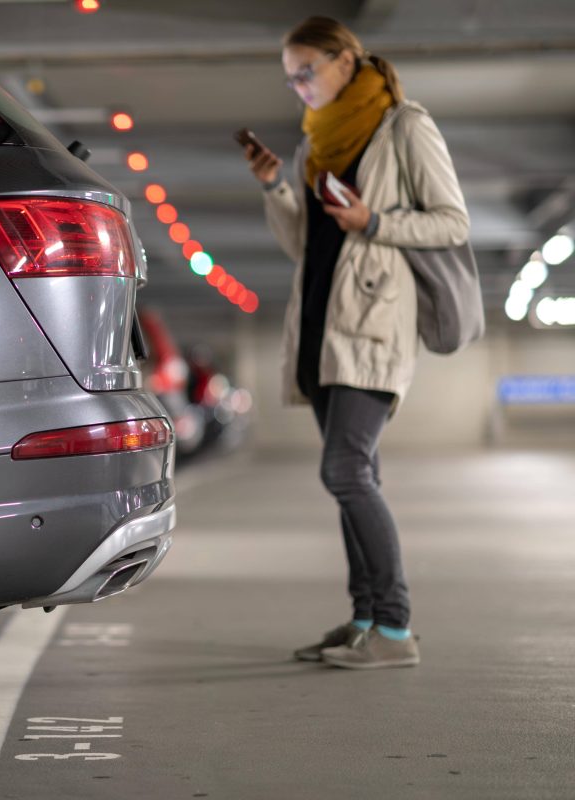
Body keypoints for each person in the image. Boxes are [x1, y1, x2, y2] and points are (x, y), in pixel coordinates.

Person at [242, 17, 470, 669]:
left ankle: (395, 630)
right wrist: (274, 187)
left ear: (347, 61)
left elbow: (453, 223)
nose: (299, 89)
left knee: (344, 469)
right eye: (290, 79)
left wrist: (376, 219)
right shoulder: (313, 148)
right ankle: (366, 616)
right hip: (319, 326)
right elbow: (304, 246)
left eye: (306, 72)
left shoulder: (404, 126)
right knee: (355, 474)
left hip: (373, 322)